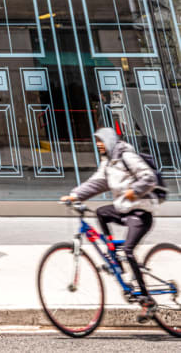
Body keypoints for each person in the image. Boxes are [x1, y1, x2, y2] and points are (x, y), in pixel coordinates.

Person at [62, 126, 160, 310]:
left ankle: (147, 300)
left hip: (140, 212)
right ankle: (113, 254)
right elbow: (96, 183)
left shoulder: (126, 156)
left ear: (109, 141)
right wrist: (74, 195)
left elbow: (149, 178)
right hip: (124, 209)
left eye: (100, 140)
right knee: (102, 212)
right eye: (97, 141)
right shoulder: (108, 164)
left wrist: (135, 191)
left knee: (129, 251)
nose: (98, 144)